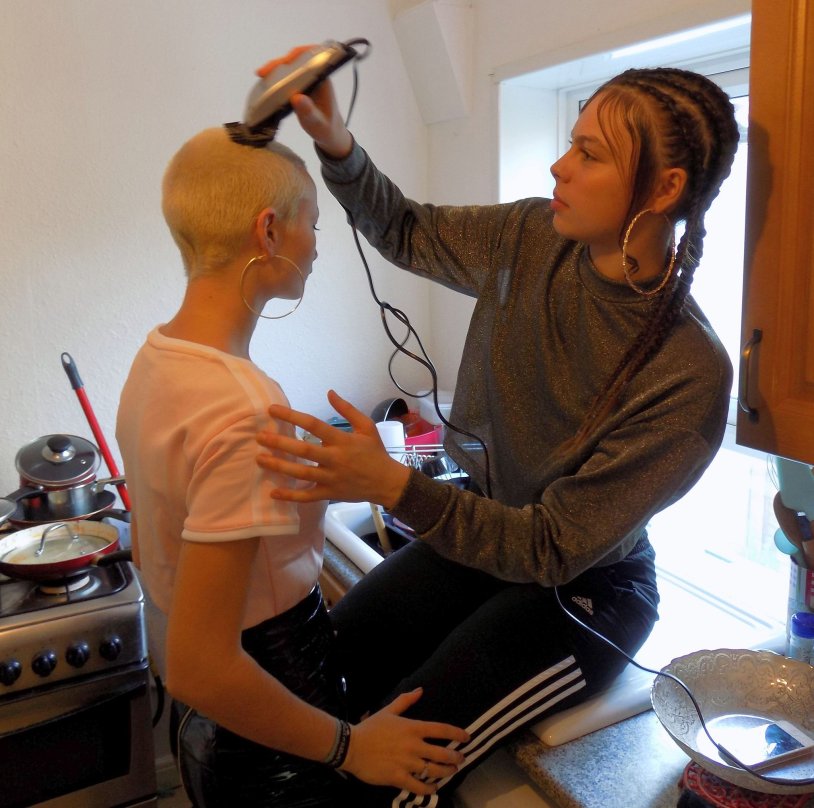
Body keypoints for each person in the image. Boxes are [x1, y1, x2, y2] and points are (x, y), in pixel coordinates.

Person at [254, 59, 740, 807]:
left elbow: (547, 547)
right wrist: (336, 141)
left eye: (590, 153)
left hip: (582, 595)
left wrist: (392, 485)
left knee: (404, 758)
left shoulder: (687, 371)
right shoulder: (529, 237)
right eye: (570, 142)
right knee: (321, 676)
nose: (559, 164)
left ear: (666, 188)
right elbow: (405, 228)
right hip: (479, 540)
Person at [115, 127, 469, 808]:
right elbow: (199, 665)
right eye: (312, 221)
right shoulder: (244, 405)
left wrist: (341, 478)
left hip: (233, 732)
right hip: (278, 728)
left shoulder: (159, 357)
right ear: (269, 231)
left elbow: (194, 512)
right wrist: (351, 746)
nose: (317, 242)